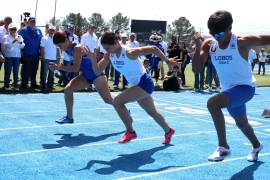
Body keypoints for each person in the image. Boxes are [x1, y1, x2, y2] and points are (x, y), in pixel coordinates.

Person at [192, 10, 267, 162]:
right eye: (213, 34)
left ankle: (223, 147)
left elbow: (264, 38)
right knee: (242, 123)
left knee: (212, 104)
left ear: (229, 28)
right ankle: (257, 145)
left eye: (219, 34)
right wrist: (198, 45)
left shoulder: (241, 41)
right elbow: (196, 69)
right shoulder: (209, 45)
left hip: (245, 88)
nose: (216, 38)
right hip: (229, 91)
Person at [89, 31, 176, 144]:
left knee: (117, 102)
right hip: (137, 85)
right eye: (105, 49)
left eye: (108, 48)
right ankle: (168, 130)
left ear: (116, 42)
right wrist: (92, 59)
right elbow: (97, 71)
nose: (107, 51)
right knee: (152, 112)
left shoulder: (129, 52)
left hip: (144, 82)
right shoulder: (110, 55)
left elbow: (154, 48)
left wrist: (167, 61)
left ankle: (130, 132)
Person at [49, 31, 113, 124]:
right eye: (58, 46)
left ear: (66, 41)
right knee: (68, 90)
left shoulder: (77, 48)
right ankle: (69, 117)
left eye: (60, 45)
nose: (60, 48)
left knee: (108, 100)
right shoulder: (68, 49)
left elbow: (76, 68)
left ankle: (123, 108)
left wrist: (58, 67)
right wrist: (59, 66)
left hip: (97, 75)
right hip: (86, 76)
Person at [1, 24, 24, 90]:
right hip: (9, 57)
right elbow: (6, 46)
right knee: (8, 72)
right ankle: (6, 86)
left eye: (14, 29)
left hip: (17, 57)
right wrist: (14, 41)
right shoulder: (6, 36)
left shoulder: (19, 36)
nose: (13, 30)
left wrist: (20, 42)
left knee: (16, 72)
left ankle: (15, 86)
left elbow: (22, 46)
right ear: (9, 30)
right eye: (12, 29)